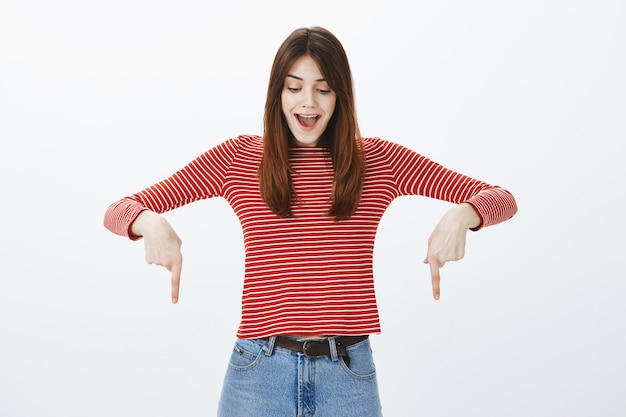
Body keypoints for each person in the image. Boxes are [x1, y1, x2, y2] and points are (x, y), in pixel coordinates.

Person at [104, 26, 517, 417]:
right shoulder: (239, 159)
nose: (308, 103)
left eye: (323, 89)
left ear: (340, 96)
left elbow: (502, 198)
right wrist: (150, 223)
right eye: (294, 87)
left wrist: (465, 214)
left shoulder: (378, 161)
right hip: (257, 376)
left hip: (348, 377)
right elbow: (120, 208)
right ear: (277, 93)